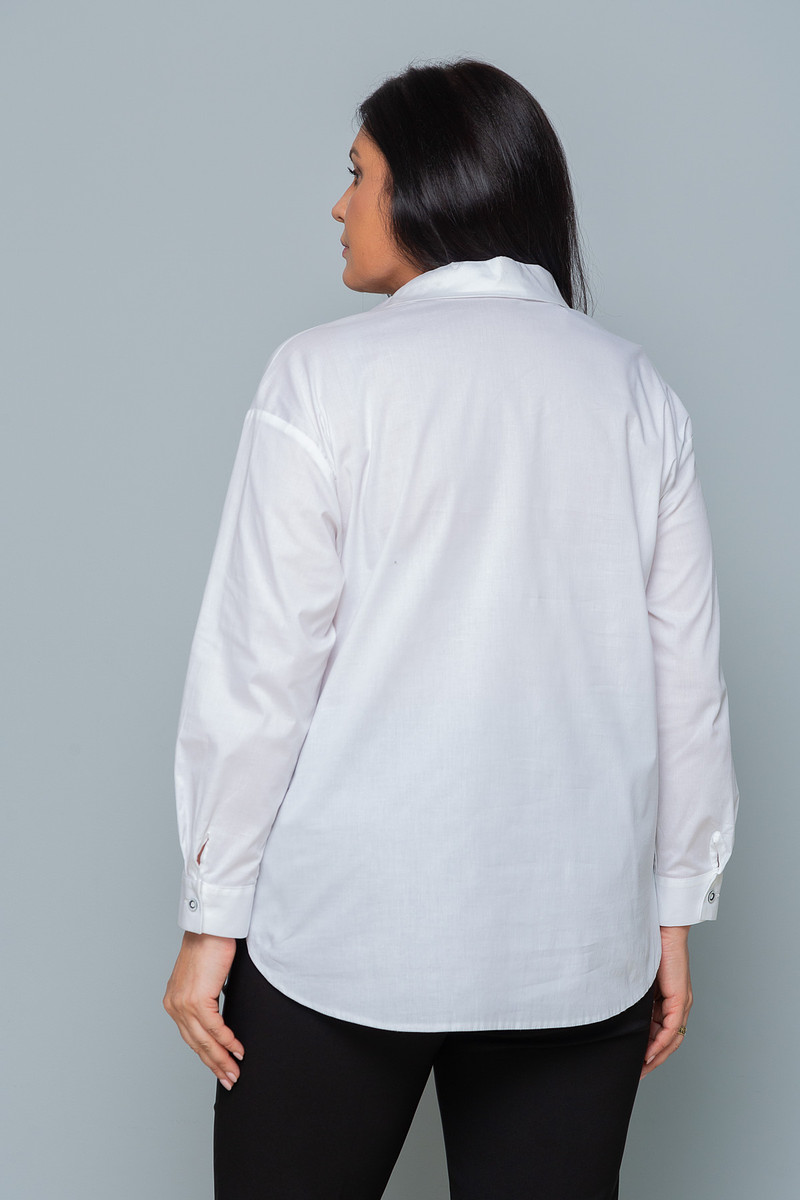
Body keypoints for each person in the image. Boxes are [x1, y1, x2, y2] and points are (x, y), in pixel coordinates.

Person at [163, 57, 739, 1200]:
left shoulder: (320, 378)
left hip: (342, 933)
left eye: (357, 174)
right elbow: (685, 681)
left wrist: (208, 920)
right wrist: (674, 912)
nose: (338, 205)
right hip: (578, 945)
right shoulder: (633, 390)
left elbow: (259, 674)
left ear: (430, 185)